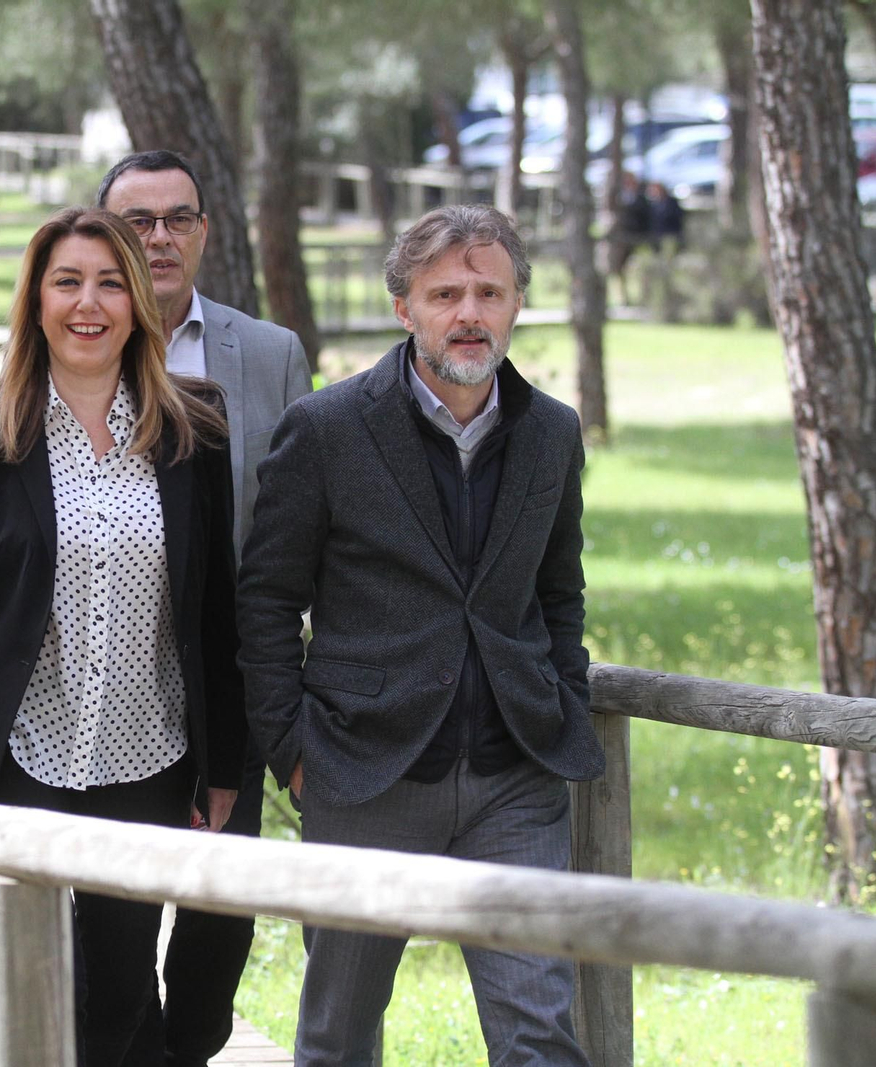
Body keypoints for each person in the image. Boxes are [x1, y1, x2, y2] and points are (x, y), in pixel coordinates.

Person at [238, 204, 604, 1067]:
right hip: (364, 775)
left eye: (489, 291)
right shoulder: (327, 429)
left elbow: (560, 593)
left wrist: (565, 702)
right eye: (445, 293)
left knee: (540, 1029)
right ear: (405, 308)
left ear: (518, 303)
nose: (468, 313)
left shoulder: (551, 431)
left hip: (516, 776)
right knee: (339, 1032)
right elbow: (265, 599)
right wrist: (293, 749)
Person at [0, 207, 247, 1067]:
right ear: (36, 300)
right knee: (31, 987)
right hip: (18, 756)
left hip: (147, 760)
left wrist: (225, 764)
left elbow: (214, 609)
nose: (90, 303)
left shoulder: (194, 423)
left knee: (122, 999)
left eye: (111, 282)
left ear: (138, 303)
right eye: (67, 281)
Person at [98, 149, 311, 1067]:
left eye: (177, 218)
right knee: (111, 912)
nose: (159, 238)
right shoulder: (74, 335)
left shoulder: (268, 355)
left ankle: (188, 1047)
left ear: (204, 232)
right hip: (107, 675)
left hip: (235, 675)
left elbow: (307, 521)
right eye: (137, 220)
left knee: (221, 911)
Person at [608, 172, 650, 306]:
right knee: (618, 269)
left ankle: (642, 298)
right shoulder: (620, 198)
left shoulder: (642, 198)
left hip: (639, 239)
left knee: (639, 269)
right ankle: (623, 298)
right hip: (623, 240)